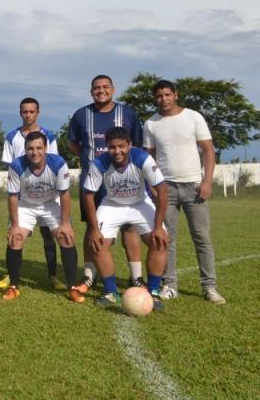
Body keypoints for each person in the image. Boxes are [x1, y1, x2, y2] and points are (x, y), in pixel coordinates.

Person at [144, 80, 226, 304]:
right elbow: (148, 157)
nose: (163, 99)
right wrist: (152, 185)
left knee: (202, 238)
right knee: (166, 240)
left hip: (194, 187)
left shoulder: (193, 117)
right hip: (165, 189)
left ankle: (209, 287)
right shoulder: (151, 123)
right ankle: (169, 285)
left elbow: (208, 151)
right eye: (159, 95)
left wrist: (207, 181)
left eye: (167, 94)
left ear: (176, 95)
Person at [68, 75, 145, 294]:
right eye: (96, 88)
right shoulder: (81, 115)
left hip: (122, 180)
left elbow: (137, 144)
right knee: (92, 227)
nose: (101, 91)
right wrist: (90, 161)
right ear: (91, 91)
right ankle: (89, 275)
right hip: (93, 181)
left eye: (105, 87)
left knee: (129, 226)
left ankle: (136, 277)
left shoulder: (127, 113)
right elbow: (73, 143)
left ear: (113, 89)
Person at [82, 127, 168, 309]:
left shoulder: (143, 158)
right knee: (97, 243)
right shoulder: (99, 163)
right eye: (112, 147)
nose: (117, 151)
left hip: (140, 203)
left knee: (159, 241)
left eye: (121, 146)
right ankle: (111, 292)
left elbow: (162, 190)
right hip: (112, 205)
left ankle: (153, 292)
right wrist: (94, 229)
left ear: (129, 145)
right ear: (107, 147)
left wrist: (159, 227)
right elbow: (88, 195)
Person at [3, 131, 83, 303]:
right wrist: (14, 225)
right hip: (25, 205)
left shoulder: (58, 163)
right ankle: (13, 286)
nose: (35, 152)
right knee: (15, 238)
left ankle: (72, 288)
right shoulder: (17, 165)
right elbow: (13, 197)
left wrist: (65, 223)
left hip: (49, 204)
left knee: (66, 237)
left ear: (46, 148)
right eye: (30, 148)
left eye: (39, 148)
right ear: (25, 150)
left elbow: (64, 194)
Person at [0, 97, 63, 290]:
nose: (28, 115)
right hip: (21, 197)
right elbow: (10, 166)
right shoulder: (12, 136)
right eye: (24, 112)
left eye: (31, 111)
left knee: (48, 235)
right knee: (14, 235)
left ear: (38, 113)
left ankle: (53, 275)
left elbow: (53, 162)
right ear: (20, 113)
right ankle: (10, 275)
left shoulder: (49, 136)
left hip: (46, 194)